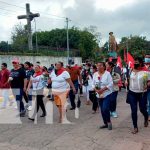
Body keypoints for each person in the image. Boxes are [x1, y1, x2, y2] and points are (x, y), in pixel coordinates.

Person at [126, 57, 149, 134]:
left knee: (142, 109)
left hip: (142, 93)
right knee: (134, 110)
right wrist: (126, 81)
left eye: (137, 62)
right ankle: (135, 127)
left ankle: (146, 117)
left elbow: (149, 81)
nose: (135, 63)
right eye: (134, 62)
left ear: (141, 63)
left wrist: (148, 84)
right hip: (132, 93)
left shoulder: (145, 71)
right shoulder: (130, 70)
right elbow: (128, 78)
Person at [92, 62, 113, 130]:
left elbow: (110, 83)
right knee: (102, 110)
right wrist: (96, 90)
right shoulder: (95, 74)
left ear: (104, 67)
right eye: (97, 65)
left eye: (100, 65)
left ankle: (109, 121)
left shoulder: (107, 74)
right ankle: (105, 123)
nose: (99, 67)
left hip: (106, 93)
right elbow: (92, 84)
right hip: (98, 94)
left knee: (105, 108)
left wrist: (103, 89)